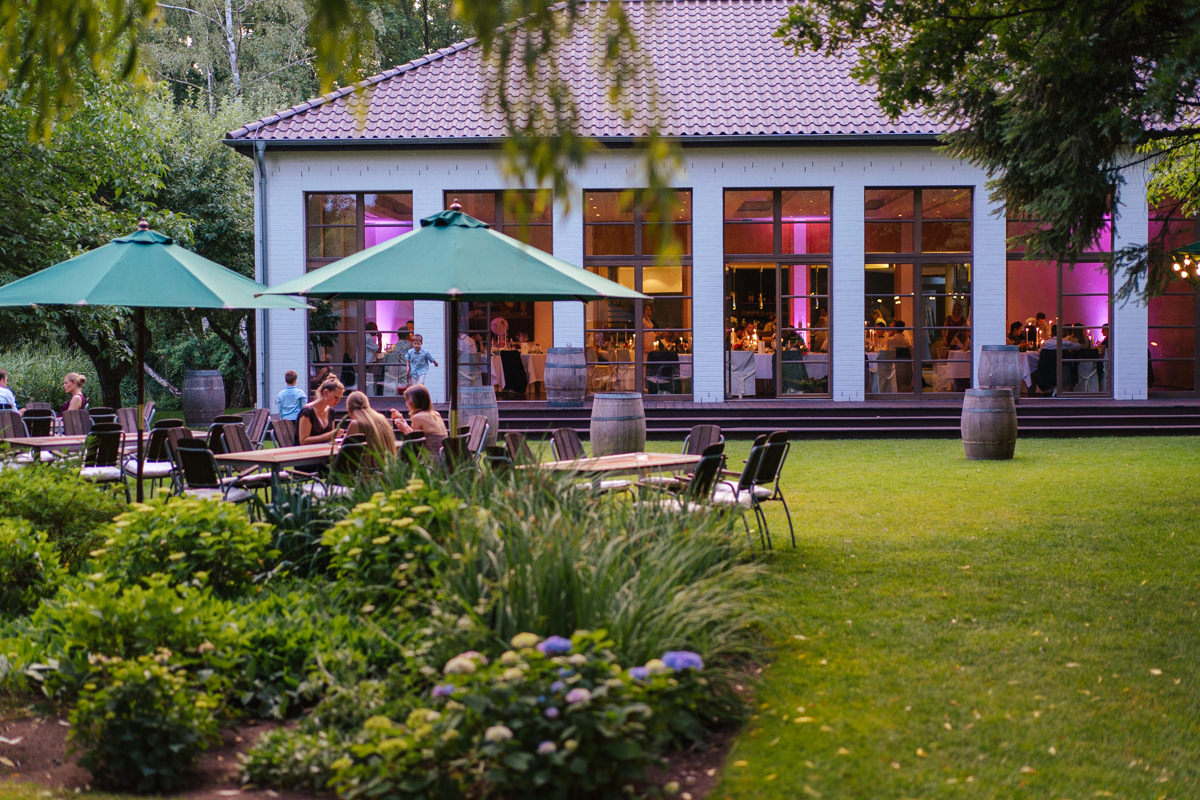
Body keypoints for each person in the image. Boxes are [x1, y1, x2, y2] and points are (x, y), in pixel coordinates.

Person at [343, 390, 397, 467]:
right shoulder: (382, 419)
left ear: (349, 410)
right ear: (368, 404)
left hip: (367, 473)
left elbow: (345, 453)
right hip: (385, 471)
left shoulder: (356, 423)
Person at [297, 377, 344, 445]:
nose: (338, 401)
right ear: (325, 392)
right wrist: (328, 435)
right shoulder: (307, 411)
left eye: (339, 398)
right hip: (306, 453)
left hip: (324, 451)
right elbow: (303, 441)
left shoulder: (331, 412)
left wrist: (336, 435)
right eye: (336, 397)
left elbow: (331, 439)